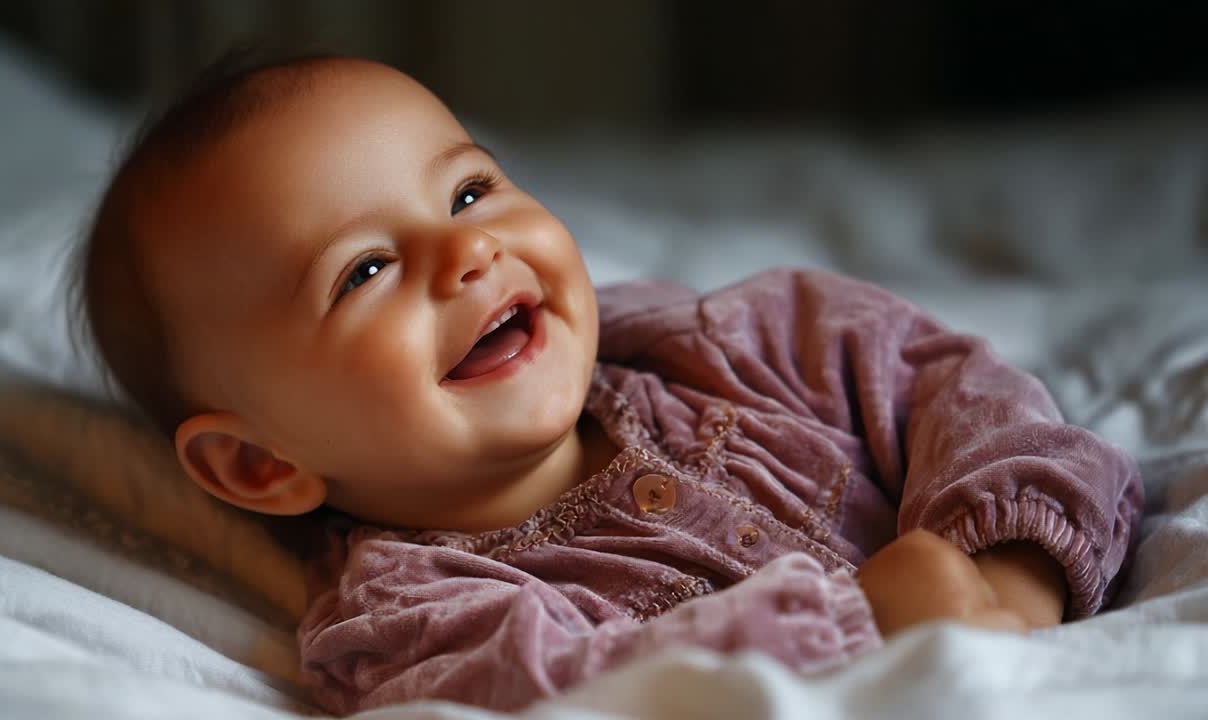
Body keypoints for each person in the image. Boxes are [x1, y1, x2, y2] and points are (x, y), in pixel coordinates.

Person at [78, 55, 1144, 714]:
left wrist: (1006, 579)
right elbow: (577, 696)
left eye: (468, 188)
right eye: (363, 270)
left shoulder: (733, 340)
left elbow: (954, 390)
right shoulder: (422, 625)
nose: (466, 256)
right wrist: (865, 623)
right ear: (261, 462)